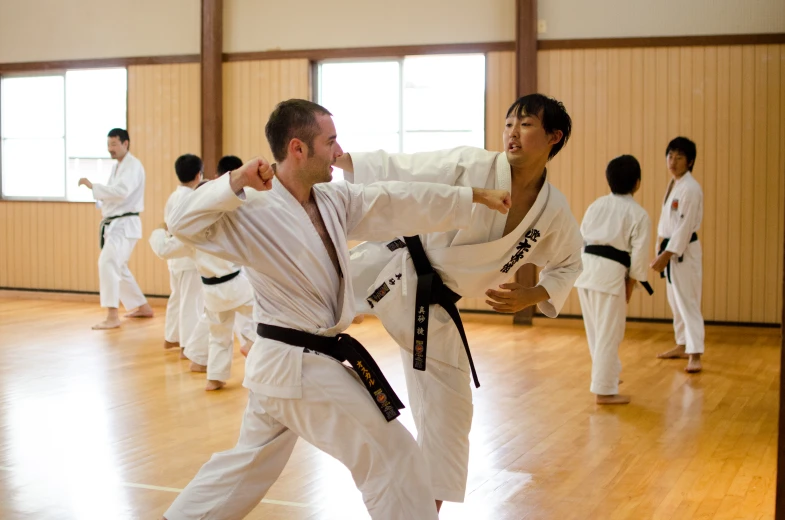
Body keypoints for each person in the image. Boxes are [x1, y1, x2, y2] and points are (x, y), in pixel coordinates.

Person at [161, 99, 511, 520]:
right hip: (297, 365)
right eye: (329, 142)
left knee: (246, 468)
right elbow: (181, 223)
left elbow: (394, 201)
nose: (337, 150)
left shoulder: (330, 201)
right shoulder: (252, 210)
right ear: (298, 149)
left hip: (287, 365)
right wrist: (235, 179)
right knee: (394, 455)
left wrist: (470, 197)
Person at [336, 93, 583, 510]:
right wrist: (344, 161)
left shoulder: (553, 211)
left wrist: (535, 292)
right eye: (509, 124)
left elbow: (570, 262)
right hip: (390, 266)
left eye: (525, 125)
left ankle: (422, 512)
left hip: (433, 309)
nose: (512, 133)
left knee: (450, 416)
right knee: (307, 323)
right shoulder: (472, 166)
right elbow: (407, 167)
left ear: (554, 137)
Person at [575, 155, 651, 405]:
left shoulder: (596, 205)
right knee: (609, 333)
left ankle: (607, 377)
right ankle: (604, 390)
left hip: (585, 271)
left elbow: (582, 238)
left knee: (597, 332)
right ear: (637, 183)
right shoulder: (638, 214)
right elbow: (638, 256)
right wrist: (631, 284)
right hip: (610, 275)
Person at [78, 128, 153, 329]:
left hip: (125, 225)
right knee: (118, 267)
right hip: (117, 224)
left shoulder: (133, 165)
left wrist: (93, 186)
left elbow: (122, 192)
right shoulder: (118, 167)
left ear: (125, 144)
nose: (110, 149)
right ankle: (141, 306)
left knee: (107, 263)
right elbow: (115, 195)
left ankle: (112, 316)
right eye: (108, 144)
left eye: (114, 144)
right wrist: (101, 198)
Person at [651, 137, 704, 373]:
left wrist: (666, 255)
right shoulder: (675, 184)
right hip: (670, 251)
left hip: (683, 252)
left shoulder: (690, 188)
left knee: (688, 302)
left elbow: (683, 227)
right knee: (675, 301)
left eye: (679, 157)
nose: (672, 161)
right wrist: (659, 250)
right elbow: (667, 224)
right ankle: (682, 344)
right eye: (670, 156)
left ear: (690, 161)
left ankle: (695, 353)